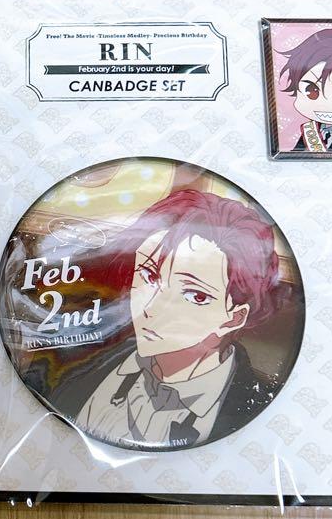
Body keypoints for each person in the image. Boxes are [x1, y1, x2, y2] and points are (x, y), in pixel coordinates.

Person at [75, 189, 284, 450]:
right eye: (149, 276)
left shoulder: (257, 409)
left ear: (233, 318)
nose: (151, 307)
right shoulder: (87, 360)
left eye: (196, 296)